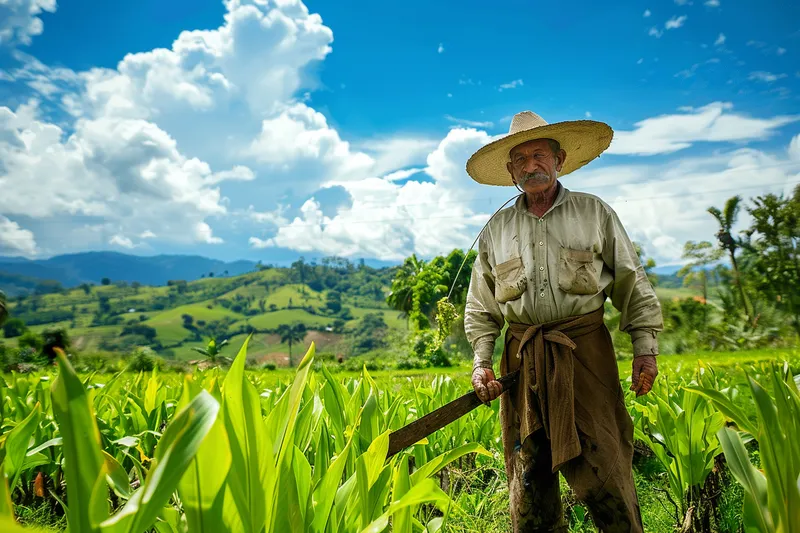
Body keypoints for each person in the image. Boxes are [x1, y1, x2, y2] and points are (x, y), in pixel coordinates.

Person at [463, 111, 663, 533]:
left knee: (605, 465)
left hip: (585, 354)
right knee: (529, 476)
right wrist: (482, 362)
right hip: (522, 361)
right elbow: (481, 305)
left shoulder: (594, 213)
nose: (531, 165)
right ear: (510, 169)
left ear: (560, 160)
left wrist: (645, 349)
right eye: (520, 159)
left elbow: (632, 282)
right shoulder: (497, 229)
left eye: (539, 154)